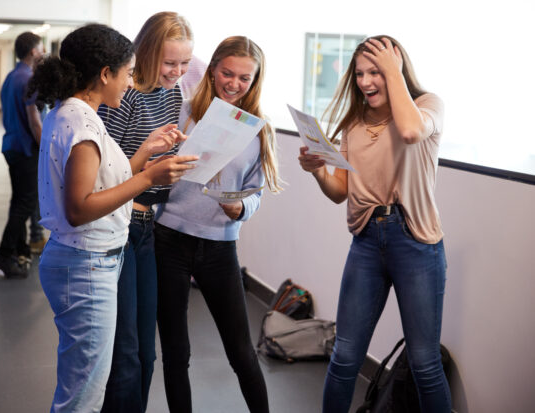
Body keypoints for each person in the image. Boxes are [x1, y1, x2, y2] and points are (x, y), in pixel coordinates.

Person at [26, 23, 196, 412]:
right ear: (106, 74)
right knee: (83, 396)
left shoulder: (71, 113)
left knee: (85, 385)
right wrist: (149, 177)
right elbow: (80, 207)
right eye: (129, 73)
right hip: (85, 265)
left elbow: (106, 180)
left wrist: (146, 153)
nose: (130, 82)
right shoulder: (84, 125)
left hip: (82, 261)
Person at [298, 35, 451, 413]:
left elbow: (411, 132)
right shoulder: (353, 123)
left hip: (415, 242)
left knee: (424, 364)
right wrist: (319, 172)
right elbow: (340, 192)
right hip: (366, 242)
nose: (366, 82)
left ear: (396, 70)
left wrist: (393, 71)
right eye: (360, 74)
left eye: (376, 72)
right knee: (345, 356)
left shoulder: (426, 106)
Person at [154, 36, 281, 413]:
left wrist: (240, 208)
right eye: (227, 72)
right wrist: (166, 168)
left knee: (241, 353)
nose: (234, 83)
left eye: (245, 77)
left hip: (220, 247)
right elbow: (151, 169)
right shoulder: (183, 112)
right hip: (169, 241)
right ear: (212, 70)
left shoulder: (259, 129)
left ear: (255, 80)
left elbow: (256, 192)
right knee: (176, 352)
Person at [96, 12, 193, 413]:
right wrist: (150, 159)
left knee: (145, 354)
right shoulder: (124, 94)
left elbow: (159, 161)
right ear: (146, 54)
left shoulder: (173, 94)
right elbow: (103, 177)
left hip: (148, 224)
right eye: (171, 63)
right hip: (119, 225)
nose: (178, 72)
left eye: (185, 63)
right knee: (126, 354)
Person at [0, 31, 44, 278]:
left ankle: (19, 251)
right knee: (26, 202)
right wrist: (46, 149)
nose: (42, 52)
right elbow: (35, 122)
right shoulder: (29, 79)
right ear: (33, 51)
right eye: (41, 48)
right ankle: (2, 255)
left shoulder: (11, 76)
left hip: (11, 146)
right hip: (25, 149)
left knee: (19, 200)